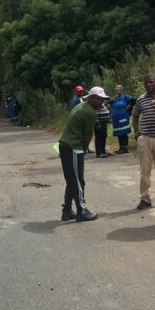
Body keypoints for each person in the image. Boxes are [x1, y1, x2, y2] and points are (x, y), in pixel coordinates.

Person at [57, 86, 108, 222]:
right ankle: (82, 210)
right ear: (91, 98)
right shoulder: (90, 112)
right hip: (73, 147)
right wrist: (84, 150)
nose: (101, 102)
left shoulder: (80, 106)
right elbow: (87, 136)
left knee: (72, 180)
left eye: (103, 99)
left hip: (65, 145)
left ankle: (67, 210)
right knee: (78, 181)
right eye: (99, 99)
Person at [132, 74, 155, 210]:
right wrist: (136, 132)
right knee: (145, 171)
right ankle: (145, 198)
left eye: (151, 82)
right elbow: (135, 115)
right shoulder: (141, 99)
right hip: (145, 137)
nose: (148, 85)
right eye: (146, 83)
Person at [109, 85, 133, 154]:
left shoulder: (125, 97)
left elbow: (134, 101)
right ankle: (121, 148)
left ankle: (125, 148)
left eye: (118, 90)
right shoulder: (114, 99)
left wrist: (129, 106)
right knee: (119, 133)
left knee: (124, 133)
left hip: (124, 118)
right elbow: (107, 104)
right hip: (116, 119)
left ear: (121, 91)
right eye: (116, 90)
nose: (117, 92)